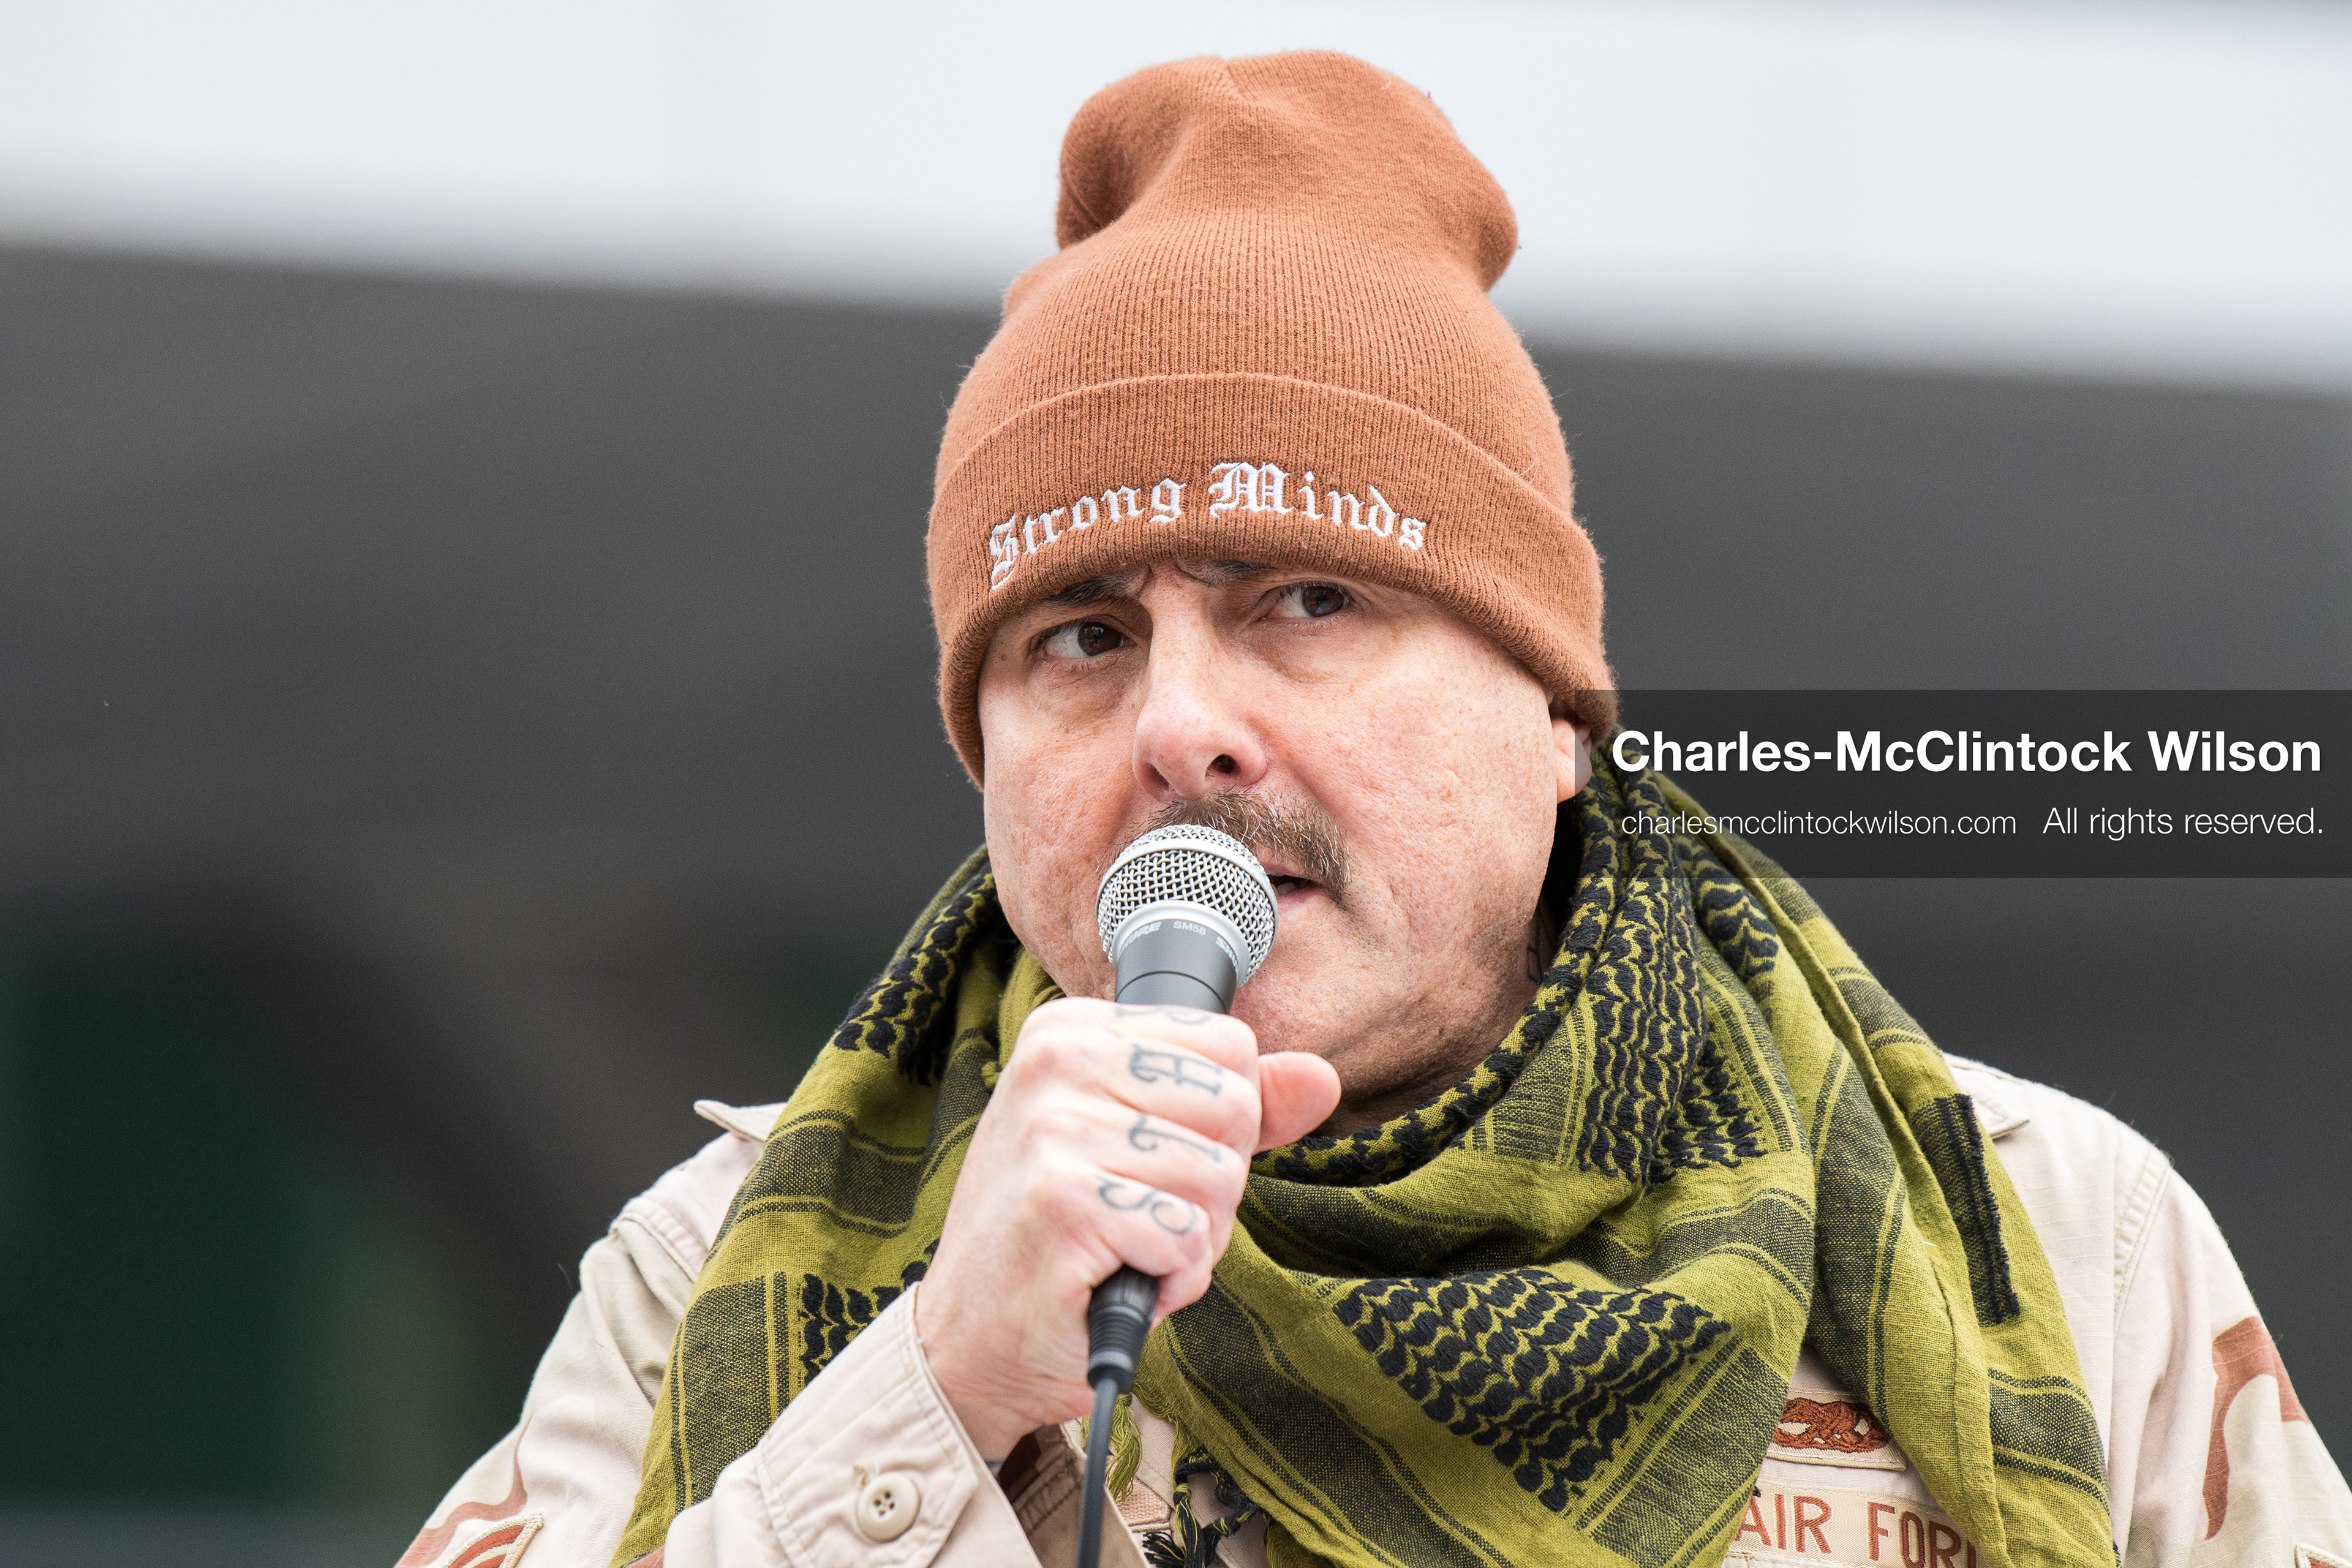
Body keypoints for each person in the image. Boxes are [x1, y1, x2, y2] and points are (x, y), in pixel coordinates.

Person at [400, 51, 2352, 1568]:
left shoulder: (2045, 1230)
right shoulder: (716, 1266)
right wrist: (936, 1391)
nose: (1183, 727)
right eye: (1077, 639)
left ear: (1557, 712)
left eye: (1307, 602)